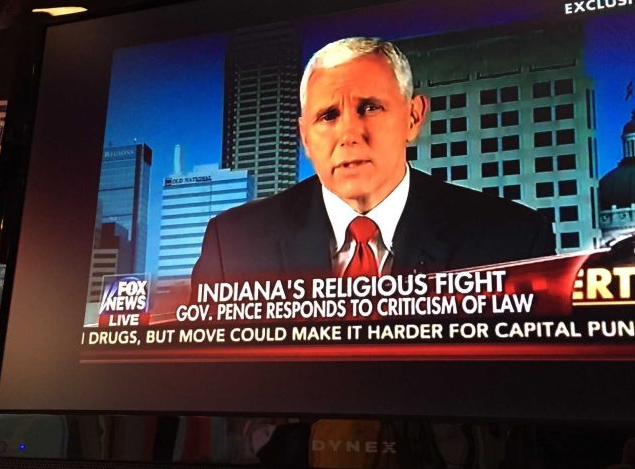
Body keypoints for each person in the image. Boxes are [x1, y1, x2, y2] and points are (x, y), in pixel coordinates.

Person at [191, 37, 554, 287]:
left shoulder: (512, 241)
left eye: (370, 108)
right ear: (305, 137)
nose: (349, 134)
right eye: (328, 116)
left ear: (413, 117)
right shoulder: (233, 245)